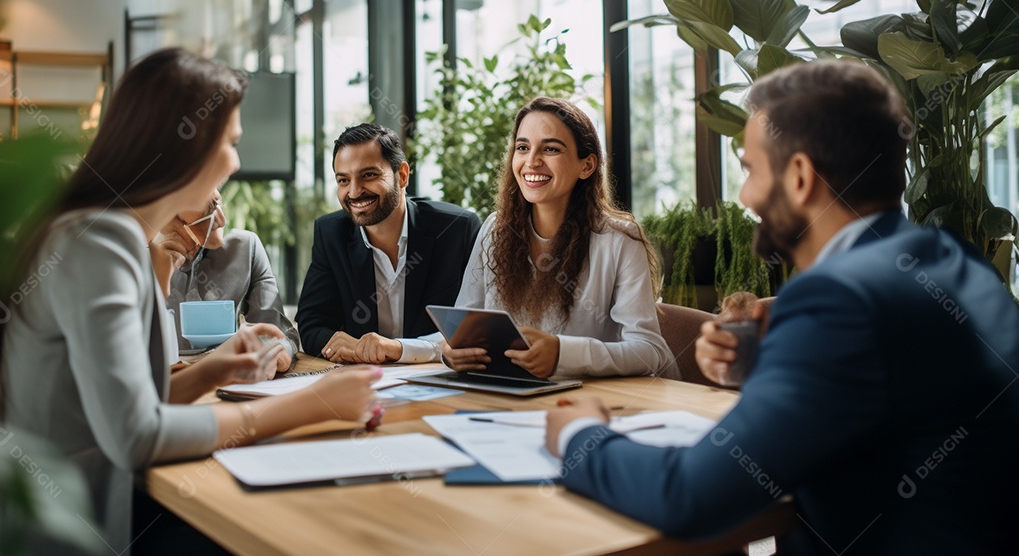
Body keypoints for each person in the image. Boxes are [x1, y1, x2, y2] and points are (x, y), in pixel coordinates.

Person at [545, 61, 1019, 554]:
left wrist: (581, 435)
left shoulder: (840, 301)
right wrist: (770, 367)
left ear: (798, 177)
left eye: (750, 169)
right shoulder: (953, 258)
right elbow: (895, 404)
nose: (746, 195)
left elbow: (687, 497)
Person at [0, 48, 380, 554]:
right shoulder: (100, 241)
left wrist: (211, 370)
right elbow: (136, 434)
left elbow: (131, 401)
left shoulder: (99, 231)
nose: (236, 162)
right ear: (186, 147)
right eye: (229, 143)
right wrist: (310, 404)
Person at [445, 97, 677, 379]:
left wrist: (561, 353)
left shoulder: (619, 240)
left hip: (596, 403)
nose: (532, 161)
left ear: (587, 166)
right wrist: (452, 351)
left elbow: (650, 351)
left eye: (551, 148)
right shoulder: (495, 229)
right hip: (510, 395)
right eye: (522, 147)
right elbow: (463, 327)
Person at [297, 123, 481, 364]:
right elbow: (312, 324)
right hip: (366, 380)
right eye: (343, 180)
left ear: (402, 175)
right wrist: (349, 348)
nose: (354, 192)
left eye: (369, 175)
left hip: (440, 378)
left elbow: (474, 326)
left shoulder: (457, 229)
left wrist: (398, 349)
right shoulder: (330, 233)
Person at [158, 187, 299, 371]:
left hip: (229, 383)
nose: (222, 220)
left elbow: (279, 334)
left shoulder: (245, 249)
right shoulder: (134, 261)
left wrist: (278, 351)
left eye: (217, 203)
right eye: (208, 212)